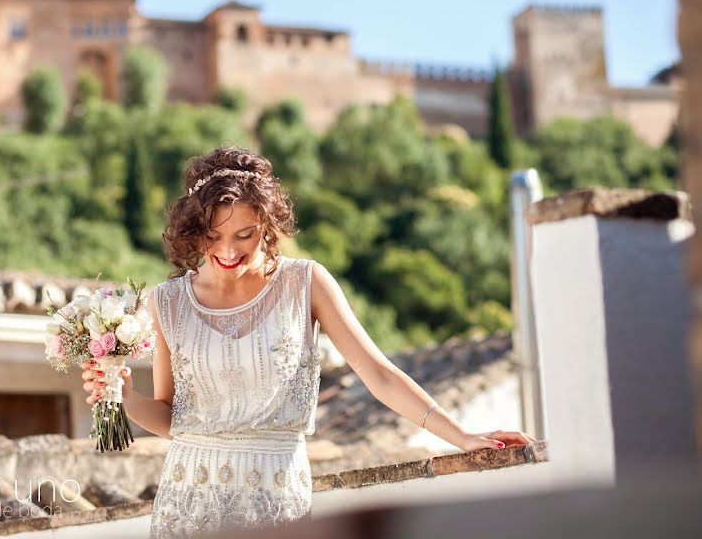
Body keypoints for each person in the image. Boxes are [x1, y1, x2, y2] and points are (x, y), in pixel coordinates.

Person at [79, 145, 537, 537]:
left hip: (276, 495)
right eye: (213, 236)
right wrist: (122, 399)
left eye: (245, 234)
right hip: (188, 502)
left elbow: (377, 373)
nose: (228, 250)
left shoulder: (306, 282)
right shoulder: (168, 302)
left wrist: (461, 435)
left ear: (268, 225)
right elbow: (172, 418)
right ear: (193, 232)